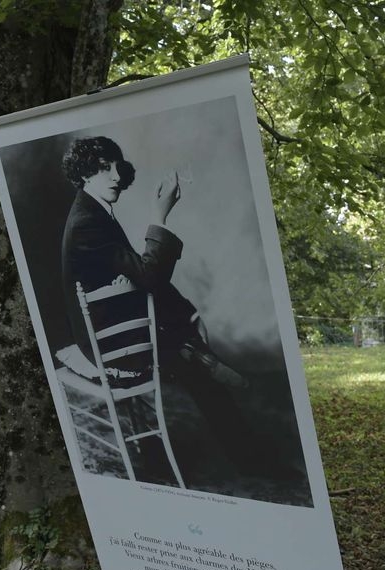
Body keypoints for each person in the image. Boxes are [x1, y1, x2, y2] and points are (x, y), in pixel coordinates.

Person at [60, 135, 256, 477]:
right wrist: (158, 215)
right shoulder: (88, 223)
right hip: (111, 345)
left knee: (174, 332)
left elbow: (140, 276)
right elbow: (149, 277)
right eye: (104, 169)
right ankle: (256, 459)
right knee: (201, 379)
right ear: (84, 174)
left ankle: (193, 352)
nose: (116, 176)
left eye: (117, 167)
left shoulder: (92, 211)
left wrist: (187, 311)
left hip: (116, 325)